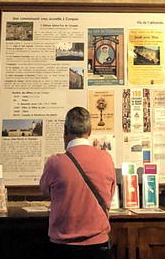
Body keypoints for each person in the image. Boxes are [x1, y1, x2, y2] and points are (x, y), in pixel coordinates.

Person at [40, 106, 117, 255]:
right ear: (89, 131)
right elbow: (110, 192)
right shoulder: (106, 159)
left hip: (62, 246)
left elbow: (45, 190)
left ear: (65, 130)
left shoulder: (54, 163)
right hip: (97, 245)